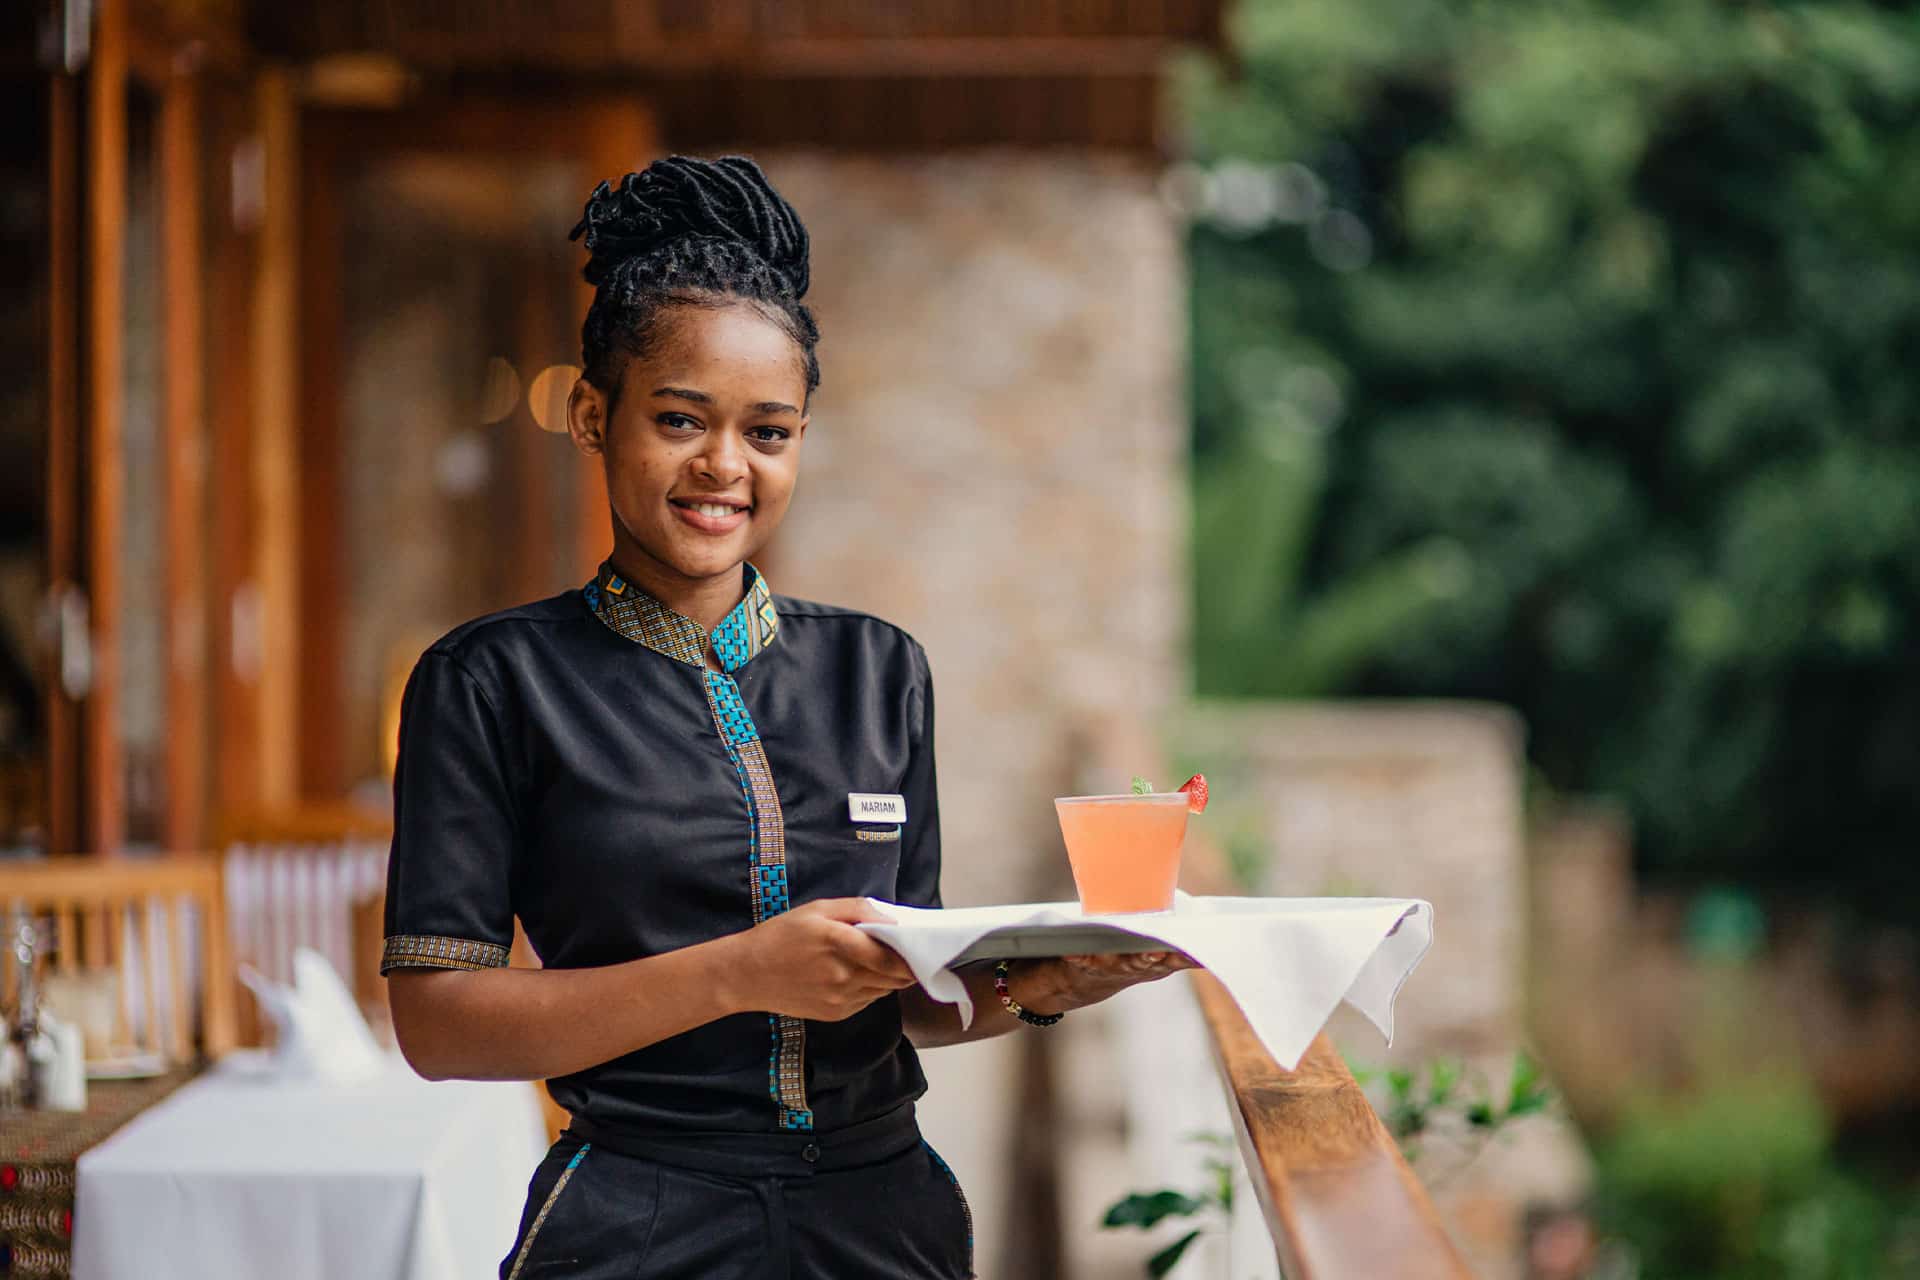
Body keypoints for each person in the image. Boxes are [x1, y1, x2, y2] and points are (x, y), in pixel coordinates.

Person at [381, 155, 1193, 1280]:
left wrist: (1047, 985)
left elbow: (912, 996)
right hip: (638, 1220)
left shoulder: (879, 669)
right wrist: (738, 972)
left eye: (769, 432)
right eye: (680, 419)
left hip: (883, 1221)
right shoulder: (491, 681)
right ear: (592, 415)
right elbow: (438, 1024)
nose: (724, 465)